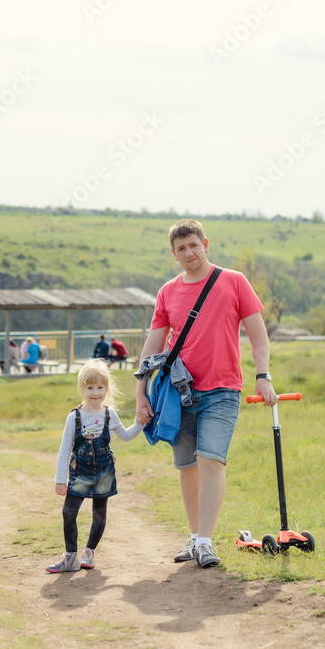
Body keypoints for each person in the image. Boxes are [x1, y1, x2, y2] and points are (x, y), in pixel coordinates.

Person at [134, 219, 276, 569]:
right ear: (174, 253)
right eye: (181, 248)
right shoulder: (167, 292)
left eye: (193, 245)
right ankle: (196, 536)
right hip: (177, 392)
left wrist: (263, 376)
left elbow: (258, 336)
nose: (189, 253)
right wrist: (141, 392)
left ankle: (205, 542)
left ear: (205, 244)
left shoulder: (234, 281)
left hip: (222, 389)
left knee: (212, 460)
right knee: (188, 466)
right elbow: (153, 345)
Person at [46, 360, 144, 573]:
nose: (95, 392)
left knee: (99, 514)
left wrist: (141, 423)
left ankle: (89, 552)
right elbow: (64, 449)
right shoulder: (74, 417)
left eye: (100, 387)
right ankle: (71, 558)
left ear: (106, 389)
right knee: (68, 511)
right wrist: (60, 479)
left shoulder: (109, 414)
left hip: (104, 471)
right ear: (82, 389)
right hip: (79, 472)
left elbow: (126, 436)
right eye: (90, 387)